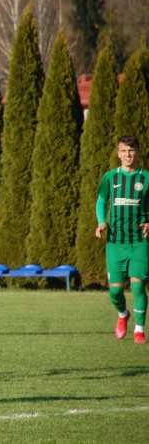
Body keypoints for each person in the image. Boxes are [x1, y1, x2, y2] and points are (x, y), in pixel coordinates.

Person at [95, 136, 149, 344]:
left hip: (139, 242)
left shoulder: (146, 178)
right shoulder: (110, 178)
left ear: (138, 152)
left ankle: (138, 328)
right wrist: (101, 222)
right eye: (124, 151)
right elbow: (101, 201)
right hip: (116, 243)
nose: (128, 154)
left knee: (137, 286)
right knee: (115, 291)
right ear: (118, 154)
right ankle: (123, 314)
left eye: (132, 150)